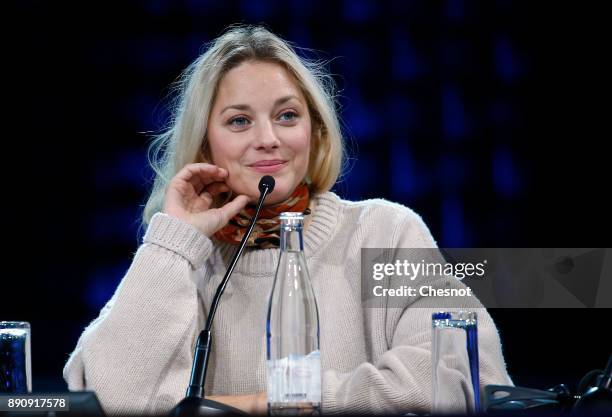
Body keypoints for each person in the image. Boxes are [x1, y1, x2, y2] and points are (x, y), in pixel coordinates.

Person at [63, 25, 512, 415]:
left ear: (314, 133)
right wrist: (174, 240)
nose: (268, 139)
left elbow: (465, 377)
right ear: (205, 147)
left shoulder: (385, 232)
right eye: (239, 121)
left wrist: (270, 403)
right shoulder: (183, 262)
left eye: (287, 116)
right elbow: (103, 397)